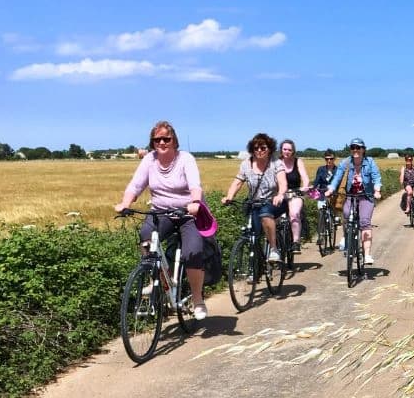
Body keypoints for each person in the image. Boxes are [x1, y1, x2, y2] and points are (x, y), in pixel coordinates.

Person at [115, 120, 209, 320]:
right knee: (146, 237)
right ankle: (160, 279)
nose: (162, 142)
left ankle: (198, 299)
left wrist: (194, 202)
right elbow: (136, 185)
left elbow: (195, 184)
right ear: (152, 142)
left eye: (166, 138)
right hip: (161, 212)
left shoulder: (185, 159)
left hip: (187, 213)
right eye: (157, 139)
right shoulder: (149, 160)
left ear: (174, 140)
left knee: (192, 251)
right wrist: (125, 203)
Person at [221, 133, 288, 262]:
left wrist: (280, 195)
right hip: (255, 202)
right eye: (256, 148)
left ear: (269, 149)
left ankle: (274, 249)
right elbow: (238, 181)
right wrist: (229, 196)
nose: (259, 151)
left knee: (265, 214)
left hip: (274, 202)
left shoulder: (276, 163)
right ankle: (256, 268)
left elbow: (283, 182)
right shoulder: (246, 164)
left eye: (263, 148)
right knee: (254, 235)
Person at [325, 138, 382, 264]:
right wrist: (331, 189)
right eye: (353, 147)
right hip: (350, 195)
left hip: (366, 196)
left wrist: (377, 190)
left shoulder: (370, 162)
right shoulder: (346, 162)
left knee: (365, 221)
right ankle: (346, 237)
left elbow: (376, 177)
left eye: (358, 147)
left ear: (363, 149)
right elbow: (337, 177)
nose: (355, 150)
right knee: (346, 215)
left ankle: (366, 255)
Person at [279, 139, 310, 252]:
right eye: (285, 149)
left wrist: (305, 187)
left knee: (294, 214)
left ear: (293, 151)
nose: (287, 151)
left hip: (295, 193)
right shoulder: (275, 162)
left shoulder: (298, 162)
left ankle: (296, 241)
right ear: (281, 150)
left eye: (289, 150)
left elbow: (305, 178)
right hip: (279, 194)